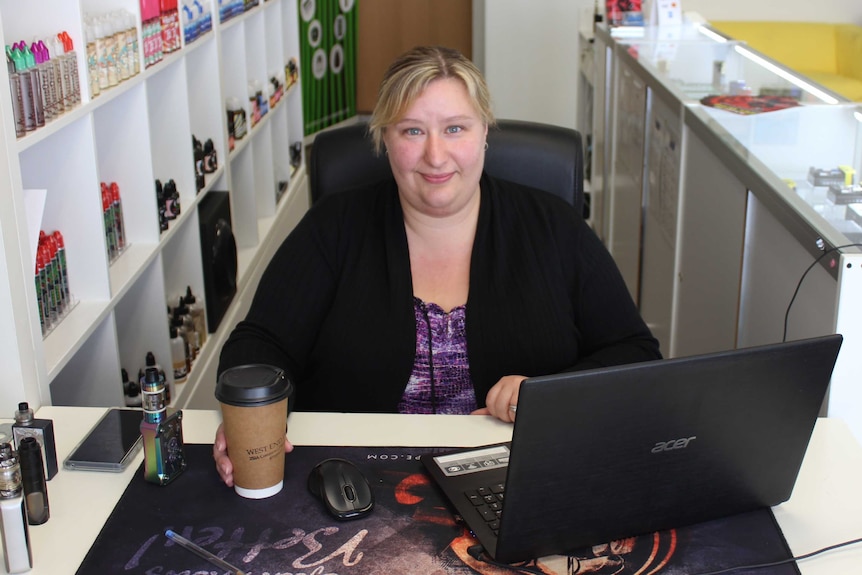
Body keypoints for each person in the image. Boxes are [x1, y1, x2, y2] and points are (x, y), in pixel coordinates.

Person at [213, 46, 661, 486]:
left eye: (455, 128)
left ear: (484, 130)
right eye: (411, 131)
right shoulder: (334, 227)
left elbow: (635, 352)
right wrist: (250, 418)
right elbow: (260, 342)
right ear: (384, 139)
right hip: (354, 482)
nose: (435, 156)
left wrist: (547, 397)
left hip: (523, 478)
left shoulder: (555, 227)